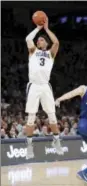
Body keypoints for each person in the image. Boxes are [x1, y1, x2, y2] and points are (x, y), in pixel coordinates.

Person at [25, 17, 63, 159]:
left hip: (45, 86)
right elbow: (28, 38)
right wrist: (38, 28)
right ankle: (29, 146)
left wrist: (46, 29)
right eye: (38, 40)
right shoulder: (33, 51)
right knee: (31, 117)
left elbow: (57, 42)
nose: (38, 41)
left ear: (46, 43)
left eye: (41, 40)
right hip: (34, 85)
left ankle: (57, 141)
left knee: (52, 116)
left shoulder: (50, 53)